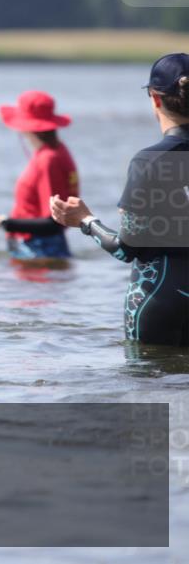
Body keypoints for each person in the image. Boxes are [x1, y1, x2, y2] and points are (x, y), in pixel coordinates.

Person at [51, 53, 189, 347]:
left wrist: (85, 221)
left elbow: (126, 248)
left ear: (154, 98)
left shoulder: (149, 161)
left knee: (148, 387)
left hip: (159, 299)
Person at [0, 91, 79, 260]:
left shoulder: (48, 160)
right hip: (44, 246)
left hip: (40, 248)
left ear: (26, 126)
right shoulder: (59, 151)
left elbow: (53, 223)